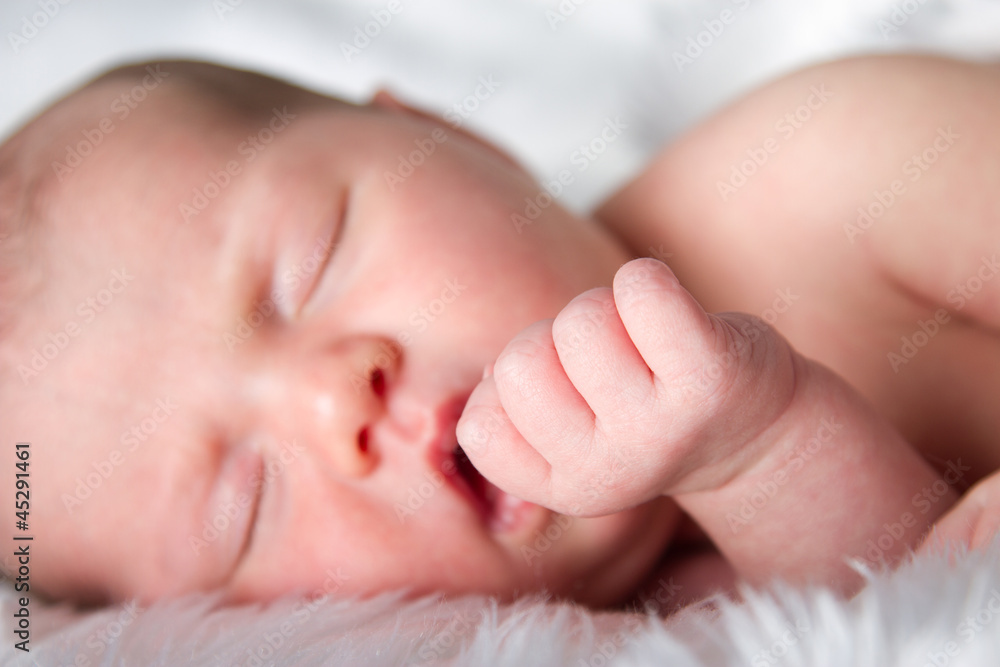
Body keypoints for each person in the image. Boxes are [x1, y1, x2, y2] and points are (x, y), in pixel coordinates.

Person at [0, 54, 992, 610]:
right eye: (240, 506)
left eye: (312, 261)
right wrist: (763, 454)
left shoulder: (827, 173)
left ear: (449, 132)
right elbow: (913, 610)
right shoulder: (645, 627)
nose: (332, 398)